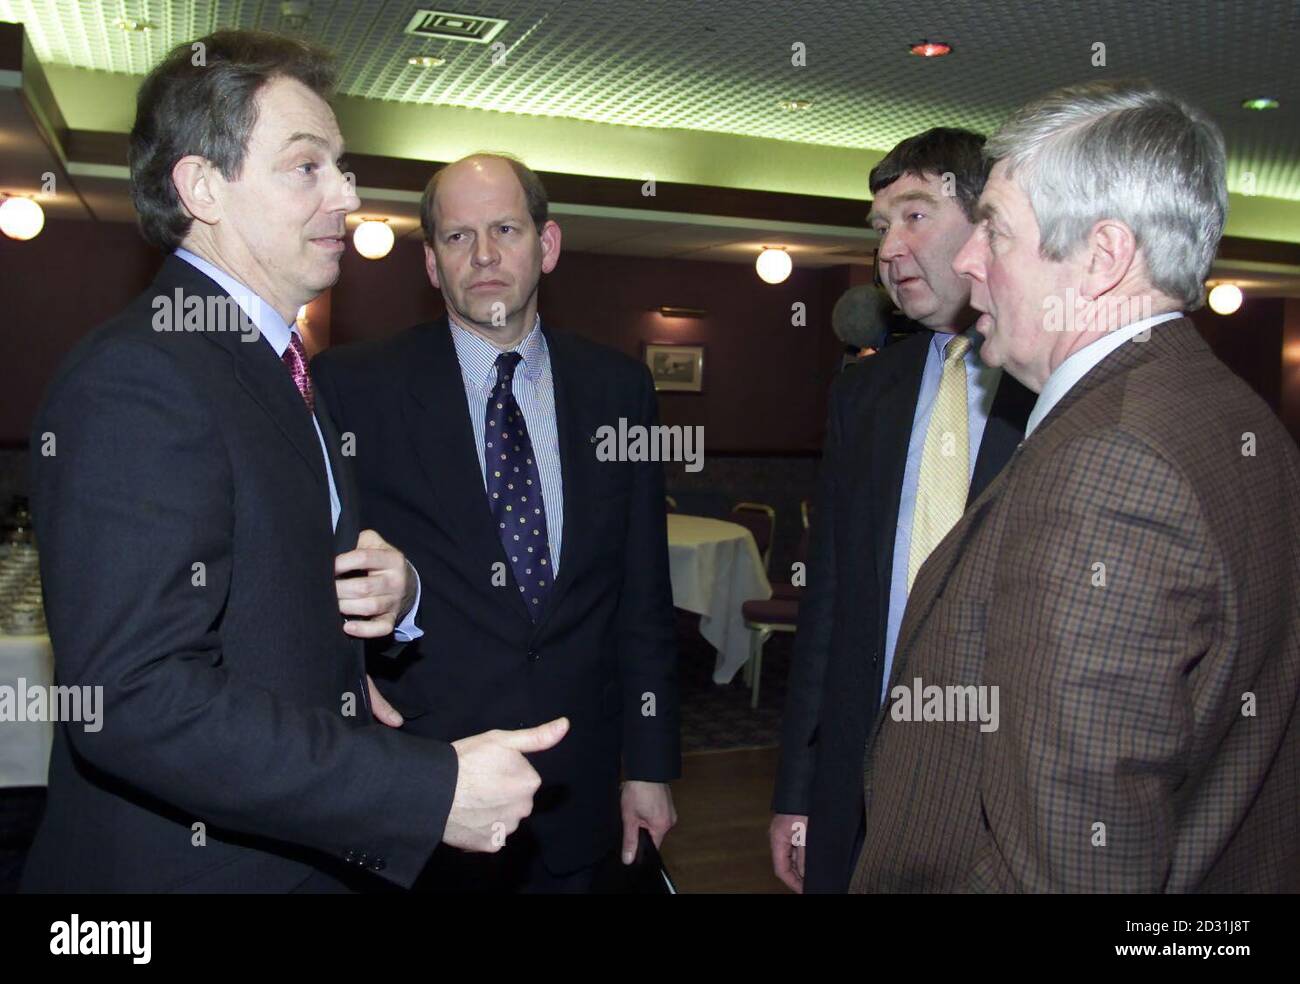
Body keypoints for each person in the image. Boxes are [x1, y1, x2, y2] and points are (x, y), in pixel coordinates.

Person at [22, 31, 564, 894]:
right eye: (306, 166)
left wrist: (362, 638)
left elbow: (253, 608)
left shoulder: (274, 365)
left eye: (341, 167)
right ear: (202, 188)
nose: (347, 194)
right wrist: (423, 790)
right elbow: (135, 699)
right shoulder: (142, 375)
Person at [851, 81, 1300, 892]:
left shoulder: (1111, 463)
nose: (966, 260)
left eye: (995, 230)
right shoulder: (1228, 412)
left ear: (1103, 258)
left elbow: (1072, 862)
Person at [311, 153, 680, 893]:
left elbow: (642, 596)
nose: (483, 256)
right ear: (429, 260)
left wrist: (649, 767)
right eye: (457, 237)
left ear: (546, 246)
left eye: (506, 230)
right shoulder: (354, 386)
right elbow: (316, 575)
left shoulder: (619, 389)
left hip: (579, 789)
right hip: (428, 786)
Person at [770, 128, 1034, 893]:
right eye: (880, 228)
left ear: (987, 221)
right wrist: (799, 791)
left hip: (1003, 787)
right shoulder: (866, 392)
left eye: (915, 217)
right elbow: (829, 606)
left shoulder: (1049, 387)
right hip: (860, 782)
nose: (889, 249)